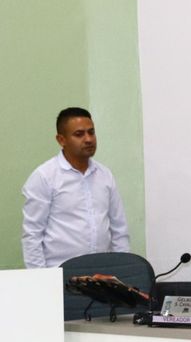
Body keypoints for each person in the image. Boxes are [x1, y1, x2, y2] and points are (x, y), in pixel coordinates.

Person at [22, 107, 130, 268]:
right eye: (79, 134)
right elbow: (32, 235)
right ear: (61, 140)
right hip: (60, 273)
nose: (88, 139)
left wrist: (124, 269)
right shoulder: (44, 177)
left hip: (102, 273)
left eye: (91, 132)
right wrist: (41, 279)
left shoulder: (105, 175)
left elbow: (119, 229)